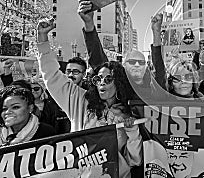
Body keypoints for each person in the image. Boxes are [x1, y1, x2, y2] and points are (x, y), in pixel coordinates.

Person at [36, 18, 142, 178]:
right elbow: (52, 76)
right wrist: (42, 39)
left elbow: (134, 161)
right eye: (98, 79)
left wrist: (133, 132)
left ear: (119, 83)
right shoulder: (80, 101)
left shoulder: (127, 114)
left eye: (108, 79)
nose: (101, 83)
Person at [0, 82, 55, 146]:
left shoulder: (46, 132)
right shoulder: (1, 133)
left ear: (30, 108)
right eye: (4, 109)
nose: (7, 112)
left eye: (15, 107)